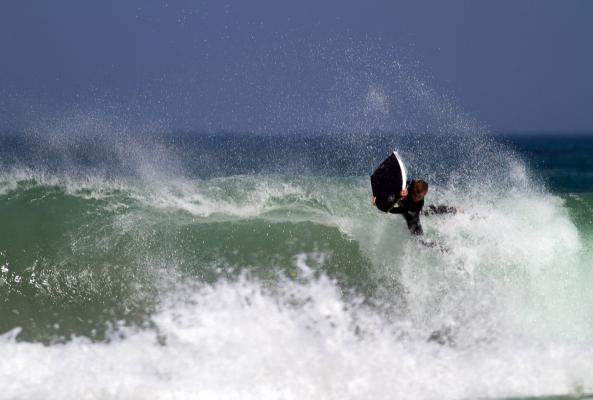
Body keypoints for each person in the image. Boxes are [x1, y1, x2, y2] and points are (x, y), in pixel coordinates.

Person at [372, 179, 461, 236]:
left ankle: (454, 210)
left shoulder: (418, 204)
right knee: (427, 211)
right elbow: (409, 181)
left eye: (419, 197)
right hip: (404, 204)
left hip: (411, 214)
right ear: (413, 189)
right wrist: (378, 198)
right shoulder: (410, 185)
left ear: (424, 195)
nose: (416, 198)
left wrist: (383, 207)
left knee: (419, 238)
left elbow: (399, 210)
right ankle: (453, 209)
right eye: (415, 194)